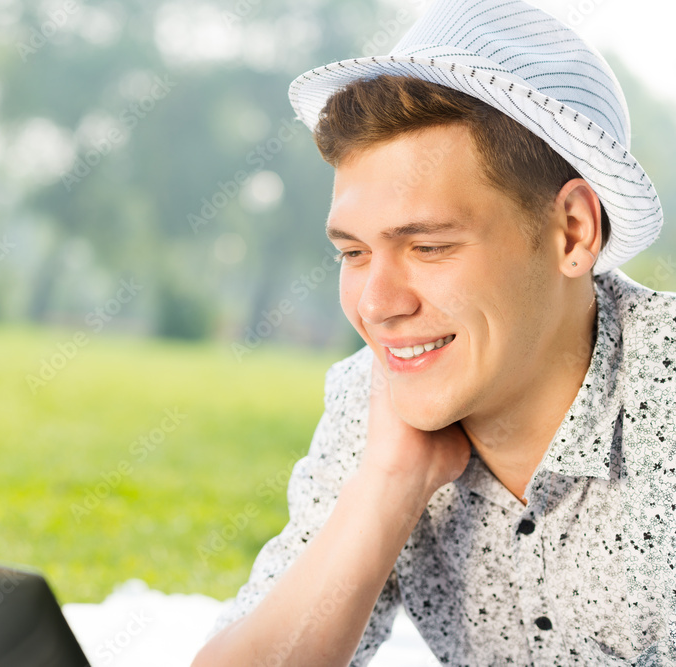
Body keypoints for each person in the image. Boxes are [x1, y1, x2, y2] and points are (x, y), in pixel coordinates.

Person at [192, 0, 675, 664]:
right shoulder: (377, 398)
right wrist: (389, 482)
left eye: (428, 247)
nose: (377, 305)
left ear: (573, 231)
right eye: (354, 253)